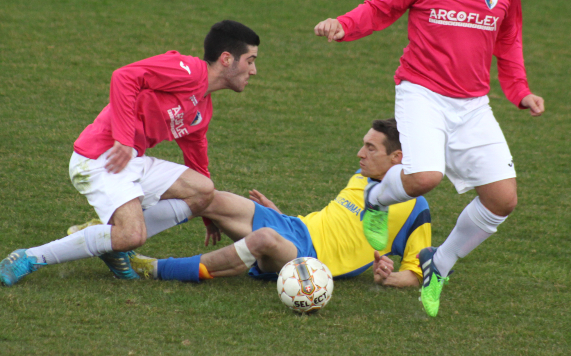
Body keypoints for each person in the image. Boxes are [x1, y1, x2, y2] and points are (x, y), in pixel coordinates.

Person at [314, 0, 545, 316]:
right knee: (424, 178)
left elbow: (509, 42)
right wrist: (344, 24)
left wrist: (520, 91)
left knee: (502, 200)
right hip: (421, 92)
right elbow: (380, 8)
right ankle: (376, 201)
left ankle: (439, 264)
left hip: (472, 104)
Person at [0, 20, 260, 286]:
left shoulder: (203, 106)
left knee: (204, 189)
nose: (254, 70)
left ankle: (110, 239)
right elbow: (124, 76)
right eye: (250, 61)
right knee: (133, 235)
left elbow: (196, 155)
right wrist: (123, 138)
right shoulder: (188, 70)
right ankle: (28, 257)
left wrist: (207, 213)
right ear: (226, 59)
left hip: (130, 160)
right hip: (100, 158)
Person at [119, 119, 431, 288]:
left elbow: (417, 274)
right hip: (294, 228)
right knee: (211, 197)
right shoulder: (361, 177)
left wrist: (387, 277)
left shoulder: (415, 208)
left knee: (264, 240)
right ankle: (119, 231)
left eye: (370, 148)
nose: (360, 154)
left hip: (309, 261)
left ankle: (154, 269)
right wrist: (277, 214)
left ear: (396, 158)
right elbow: (333, 224)